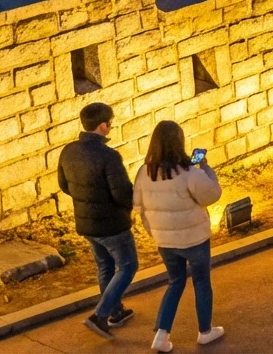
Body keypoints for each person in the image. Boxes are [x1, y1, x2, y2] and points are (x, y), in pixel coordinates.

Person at [133, 121, 225, 352]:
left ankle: (161, 335)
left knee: (175, 283)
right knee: (201, 282)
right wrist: (206, 168)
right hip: (194, 239)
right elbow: (211, 195)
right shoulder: (189, 173)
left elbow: (139, 207)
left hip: (165, 242)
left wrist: (155, 232)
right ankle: (205, 331)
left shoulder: (144, 172)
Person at [58, 102, 137, 339]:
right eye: (111, 123)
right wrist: (131, 204)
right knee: (128, 266)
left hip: (87, 224)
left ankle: (115, 312)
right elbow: (122, 193)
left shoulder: (68, 151)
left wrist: (86, 200)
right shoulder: (109, 156)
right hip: (112, 225)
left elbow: (64, 185)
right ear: (103, 125)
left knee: (105, 266)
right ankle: (100, 315)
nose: (111, 127)